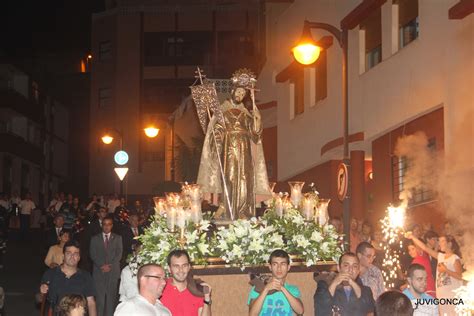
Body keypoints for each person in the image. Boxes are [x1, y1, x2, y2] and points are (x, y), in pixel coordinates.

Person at [196, 68, 270, 220]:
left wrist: (257, 119)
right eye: (238, 92)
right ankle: (225, 206)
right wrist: (216, 138)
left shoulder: (247, 114)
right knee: (229, 177)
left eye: (243, 94)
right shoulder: (222, 111)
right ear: (232, 91)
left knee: (245, 178)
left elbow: (255, 135)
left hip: (245, 149)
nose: (240, 95)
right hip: (229, 148)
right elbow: (215, 131)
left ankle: (244, 211)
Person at [405, 232, 463, 316]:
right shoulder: (440, 256)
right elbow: (424, 247)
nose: (439, 243)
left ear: (449, 244)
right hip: (441, 295)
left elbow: (459, 276)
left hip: (452, 295)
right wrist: (413, 237)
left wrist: (446, 270)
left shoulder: (454, 258)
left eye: (442, 241)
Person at [40, 240, 97, 315]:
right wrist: (41, 292)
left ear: (79, 257)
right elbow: (41, 300)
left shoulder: (86, 276)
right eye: (69, 253)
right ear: (63, 256)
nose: (72, 256)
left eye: (76, 254)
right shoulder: (50, 274)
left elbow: (91, 303)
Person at [248, 249, 304, 316]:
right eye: (275, 264)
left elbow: (300, 311)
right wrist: (265, 290)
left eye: (283, 264)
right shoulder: (257, 288)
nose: (279, 268)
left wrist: (282, 288)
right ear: (270, 267)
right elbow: (252, 314)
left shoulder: (292, 289)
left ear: (288, 267)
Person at [160, 249, 212, 316]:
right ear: (169, 269)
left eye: (184, 265)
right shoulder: (160, 287)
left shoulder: (196, 289)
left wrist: (207, 297)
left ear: (189, 267)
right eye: (176, 266)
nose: (181, 270)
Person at [90, 215, 122, 316]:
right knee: (100, 300)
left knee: (111, 300)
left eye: (109, 225)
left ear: (112, 226)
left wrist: (110, 266)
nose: (106, 227)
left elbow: (119, 254)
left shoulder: (118, 238)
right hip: (99, 272)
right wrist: (102, 266)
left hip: (113, 272)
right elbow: (92, 254)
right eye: (104, 224)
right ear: (101, 225)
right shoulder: (95, 239)